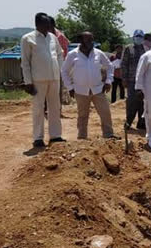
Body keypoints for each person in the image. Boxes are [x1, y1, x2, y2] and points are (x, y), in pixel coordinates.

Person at [62, 32, 118, 140]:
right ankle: (82, 137)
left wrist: (108, 81)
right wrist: (70, 87)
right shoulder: (72, 54)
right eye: (88, 40)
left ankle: (108, 135)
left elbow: (110, 67)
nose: (91, 42)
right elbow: (64, 71)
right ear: (81, 41)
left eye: (92, 39)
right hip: (80, 91)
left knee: (105, 113)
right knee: (82, 116)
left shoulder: (98, 53)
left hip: (98, 89)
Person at [21, 12, 64, 148]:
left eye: (49, 24)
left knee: (55, 108)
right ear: (38, 24)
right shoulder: (28, 38)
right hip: (38, 80)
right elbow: (25, 62)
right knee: (38, 109)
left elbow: (59, 54)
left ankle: (55, 135)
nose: (49, 26)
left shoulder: (52, 37)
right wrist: (28, 82)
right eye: (46, 24)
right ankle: (38, 138)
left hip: (54, 78)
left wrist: (60, 71)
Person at [121, 30, 146, 130]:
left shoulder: (145, 49)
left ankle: (141, 122)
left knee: (142, 103)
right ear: (134, 37)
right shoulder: (128, 48)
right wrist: (124, 78)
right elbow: (124, 64)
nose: (139, 38)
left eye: (140, 36)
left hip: (143, 81)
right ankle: (128, 122)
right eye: (137, 36)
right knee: (131, 102)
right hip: (131, 80)